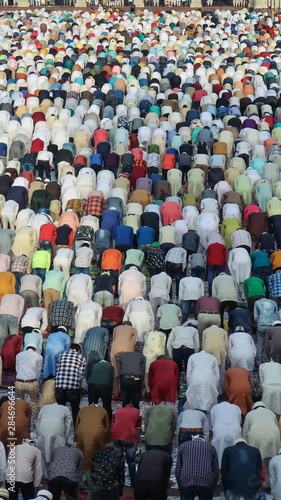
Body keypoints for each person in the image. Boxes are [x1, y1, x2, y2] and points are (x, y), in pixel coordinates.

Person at [242, 401, 281, 487]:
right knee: (273, 458)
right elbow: (277, 426)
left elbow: (245, 433)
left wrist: (247, 448)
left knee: (259, 460)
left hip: (256, 434)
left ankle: (262, 484)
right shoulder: (271, 412)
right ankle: (273, 484)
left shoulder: (250, 414)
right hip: (273, 433)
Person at [175, 435, 219, 500]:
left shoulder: (183, 446)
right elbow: (215, 469)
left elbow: (178, 469)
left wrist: (180, 485)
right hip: (206, 480)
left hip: (186, 480)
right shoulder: (211, 447)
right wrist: (214, 484)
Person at [36, 403, 72, 478]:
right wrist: (65, 440)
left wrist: (39, 434)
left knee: (43, 453)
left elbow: (38, 423)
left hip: (42, 430)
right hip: (57, 430)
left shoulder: (44, 407)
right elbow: (68, 427)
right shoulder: (65, 409)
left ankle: (45, 476)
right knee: (58, 452)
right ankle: (56, 475)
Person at [55, 344, 86, 426]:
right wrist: (79, 389)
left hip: (59, 385)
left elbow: (58, 369)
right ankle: (77, 427)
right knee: (75, 408)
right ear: (79, 350)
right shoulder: (81, 357)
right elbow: (80, 375)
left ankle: (60, 426)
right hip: (72, 387)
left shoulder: (61, 355)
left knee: (61, 408)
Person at [74, 402, 110, 473]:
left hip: (82, 433)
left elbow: (77, 425)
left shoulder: (82, 410)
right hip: (97, 433)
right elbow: (107, 427)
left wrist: (76, 438)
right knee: (98, 451)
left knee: (84, 451)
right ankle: (96, 469)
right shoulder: (103, 411)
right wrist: (106, 439)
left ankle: (84, 470)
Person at [111, 405, 142, 486]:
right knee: (131, 461)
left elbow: (113, 424)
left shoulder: (117, 411)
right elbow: (138, 430)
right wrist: (136, 443)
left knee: (117, 459)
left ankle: (118, 481)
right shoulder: (138, 413)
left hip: (116, 435)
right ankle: (132, 482)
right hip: (129, 436)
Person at [15, 342, 43, 422]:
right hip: (31, 383)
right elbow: (38, 371)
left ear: (26, 348)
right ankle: (35, 422)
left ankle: (20, 421)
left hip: (19, 382)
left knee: (19, 403)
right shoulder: (39, 356)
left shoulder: (19, 355)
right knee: (35, 403)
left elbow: (17, 369)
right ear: (35, 350)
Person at [211, 402, 242, 468]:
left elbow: (213, 422)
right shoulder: (236, 407)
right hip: (234, 427)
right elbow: (239, 421)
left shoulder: (215, 407)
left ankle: (219, 467)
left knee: (218, 449)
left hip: (219, 428)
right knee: (235, 447)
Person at [202, 325, 229, 394]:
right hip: (221, 349)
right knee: (221, 371)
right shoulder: (224, 331)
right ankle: (220, 391)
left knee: (208, 369)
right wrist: (226, 354)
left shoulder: (205, 330)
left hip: (208, 349)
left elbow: (203, 343)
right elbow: (226, 345)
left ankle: (209, 390)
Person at [254, 298, 278, 365]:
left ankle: (258, 362)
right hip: (271, 326)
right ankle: (271, 360)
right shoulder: (273, 302)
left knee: (259, 343)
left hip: (261, 325)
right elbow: (276, 315)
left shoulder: (257, 302)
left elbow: (255, 316)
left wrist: (257, 322)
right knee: (271, 343)